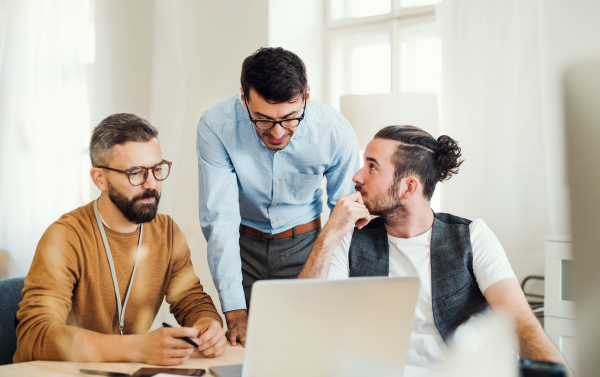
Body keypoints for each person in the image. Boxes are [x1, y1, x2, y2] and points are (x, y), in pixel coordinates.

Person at [298, 125, 569, 372]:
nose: (357, 177)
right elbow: (306, 318)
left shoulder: (473, 236)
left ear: (408, 187)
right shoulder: (349, 238)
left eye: (372, 167)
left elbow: (520, 323)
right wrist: (330, 233)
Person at [14, 114, 226, 364]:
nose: (151, 184)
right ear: (100, 179)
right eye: (135, 173)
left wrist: (208, 325)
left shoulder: (167, 231)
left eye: (157, 169)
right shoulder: (66, 236)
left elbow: (192, 300)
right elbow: (34, 336)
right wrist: (137, 348)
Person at [196, 47, 360, 346]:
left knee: (309, 347)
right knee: (249, 350)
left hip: (307, 246)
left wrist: (338, 280)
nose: (277, 132)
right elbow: (220, 220)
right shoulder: (215, 125)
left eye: (290, 118)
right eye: (262, 119)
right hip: (242, 250)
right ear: (244, 98)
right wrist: (234, 312)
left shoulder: (335, 131)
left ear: (306, 96)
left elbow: (346, 214)